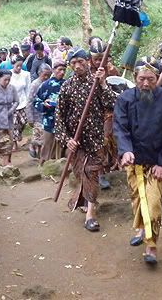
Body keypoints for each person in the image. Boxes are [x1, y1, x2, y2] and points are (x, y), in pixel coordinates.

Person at [113, 56, 162, 265]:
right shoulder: (125, 98)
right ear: (135, 77)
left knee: (152, 204)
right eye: (142, 78)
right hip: (134, 161)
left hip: (158, 161)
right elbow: (120, 128)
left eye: (151, 79)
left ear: (157, 77)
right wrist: (125, 151)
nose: (146, 83)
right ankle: (142, 230)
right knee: (138, 200)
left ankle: (151, 245)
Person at [55, 47, 116, 232]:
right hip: (77, 142)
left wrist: (103, 83)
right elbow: (60, 116)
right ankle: (84, 199)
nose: (77, 66)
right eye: (73, 63)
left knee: (91, 172)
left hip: (96, 139)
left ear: (87, 62)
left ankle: (91, 213)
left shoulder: (97, 82)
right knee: (80, 172)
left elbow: (111, 104)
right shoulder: (67, 86)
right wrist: (67, 139)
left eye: (80, 62)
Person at [88, 36, 120, 189]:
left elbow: (119, 89)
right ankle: (99, 173)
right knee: (97, 142)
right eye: (96, 58)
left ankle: (111, 166)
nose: (98, 61)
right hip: (92, 112)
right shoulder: (86, 70)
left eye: (102, 58)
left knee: (108, 139)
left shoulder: (112, 69)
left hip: (109, 111)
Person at [34, 59, 67, 166]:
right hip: (49, 120)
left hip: (63, 121)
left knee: (61, 144)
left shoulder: (67, 84)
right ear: (54, 70)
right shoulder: (45, 85)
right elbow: (36, 101)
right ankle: (42, 166)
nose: (62, 72)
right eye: (60, 69)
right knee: (47, 144)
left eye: (64, 70)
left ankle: (58, 166)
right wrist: (44, 104)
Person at [26, 63, 52, 159]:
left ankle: (40, 155)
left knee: (43, 138)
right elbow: (29, 101)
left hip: (46, 114)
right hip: (36, 115)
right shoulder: (35, 84)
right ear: (39, 73)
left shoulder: (49, 83)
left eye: (48, 75)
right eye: (44, 75)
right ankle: (33, 146)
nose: (46, 77)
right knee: (40, 137)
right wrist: (30, 118)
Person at [10, 55, 31, 150]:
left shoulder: (26, 74)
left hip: (22, 102)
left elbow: (28, 89)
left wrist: (28, 102)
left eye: (20, 66)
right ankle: (14, 142)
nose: (19, 68)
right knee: (13, 123)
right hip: (11, 103)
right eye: (17, 65)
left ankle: (19, 134)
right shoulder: (8, 75)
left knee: (23, 122)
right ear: (12, 64)